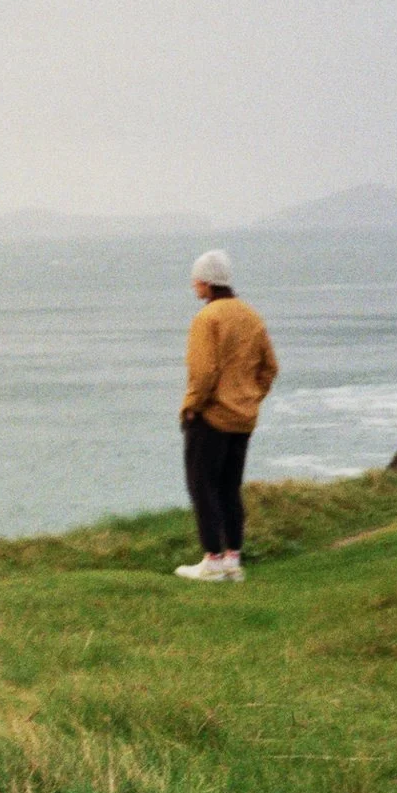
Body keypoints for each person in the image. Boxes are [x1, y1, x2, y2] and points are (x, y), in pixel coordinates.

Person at [175, 249, 278, 583]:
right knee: (230, 488)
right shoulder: (251, 315)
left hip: (212, 417)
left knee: (202, 486)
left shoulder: (208, 318)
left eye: (196, 279)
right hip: (243, 418)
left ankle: (213, 560)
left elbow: (203, 372)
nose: (194, 285)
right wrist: (251, 397)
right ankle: (233, 558)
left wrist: (191, 406)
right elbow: (269, 368)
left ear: (207, 281)